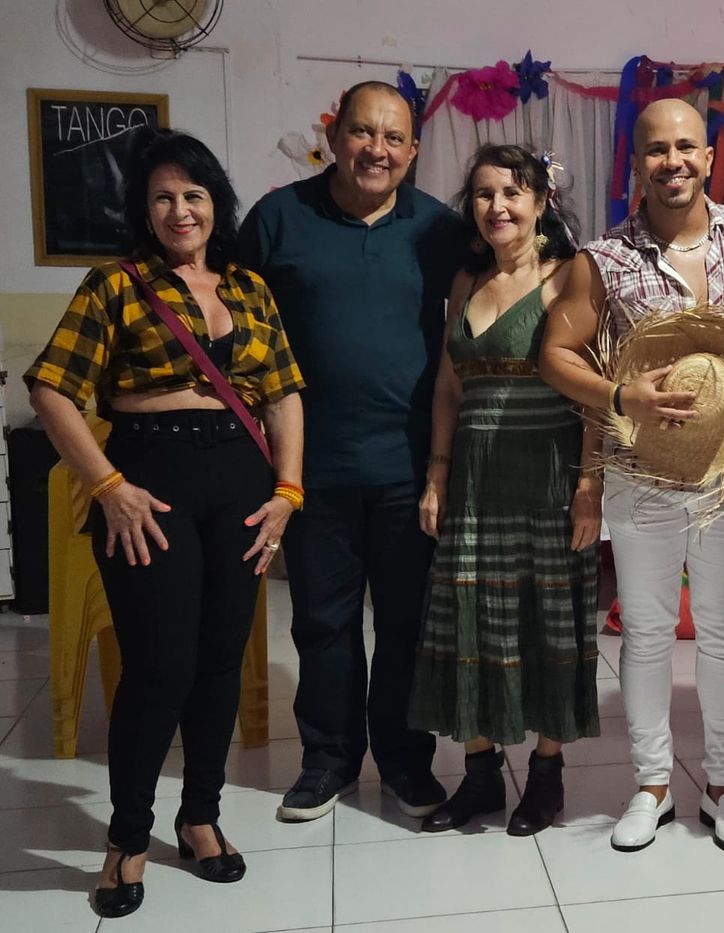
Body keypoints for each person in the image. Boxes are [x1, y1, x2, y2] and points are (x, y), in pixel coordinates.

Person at [25, 129, 305, 918]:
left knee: (220, 658)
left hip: (242, 483)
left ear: (216, 203)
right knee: (158, 666)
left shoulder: (249, 287)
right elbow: (51, 388)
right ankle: (127, 834)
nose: (180, 210)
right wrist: (106, 482)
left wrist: (288, 491)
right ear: (143, 211)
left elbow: (284, 393)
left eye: (194, 195)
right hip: (148, 481)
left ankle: (202, 815)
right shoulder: (114, 284)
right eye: (162, 197)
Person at [540, 98, 724, 855]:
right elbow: (554, 351)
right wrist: (620, 394)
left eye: (686, 147)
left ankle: (722, 784)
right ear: (635, 164)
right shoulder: (604, 257)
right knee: (646, 633)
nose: (672, 161)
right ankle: (651, 784)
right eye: (656, 150)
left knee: (721, 632)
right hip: (642, 473)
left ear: (710, 157)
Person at [238, 81, 465, 824]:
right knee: (321, 623)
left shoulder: (439, 229)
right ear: (334, 134)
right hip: (311, 470)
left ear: (413, 152)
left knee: (405, 624)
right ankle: (327, 759)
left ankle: (403, 759)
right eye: (364, 133)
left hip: (408, 469)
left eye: (395, 139)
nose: (378, 150)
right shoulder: (276, 219)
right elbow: (238, 339)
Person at [408, 144, 602, 836]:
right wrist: (437, 473)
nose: (498, 207)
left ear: (542, 201)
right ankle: (481, 773)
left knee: (548, 623)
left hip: (546, 475)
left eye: (513, 193)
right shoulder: (464, 282)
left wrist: (589, 486)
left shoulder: (571, 275)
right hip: (473, 480)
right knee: (469, 619)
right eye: (485, 194)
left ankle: (545, 776)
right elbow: (448, 386)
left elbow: (594, 397)